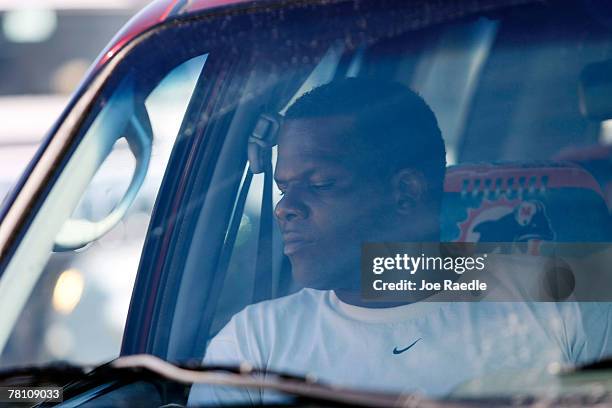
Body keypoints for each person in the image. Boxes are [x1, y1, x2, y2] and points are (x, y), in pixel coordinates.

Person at [189, 78, 612, 405]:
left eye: (320, 184)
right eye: (284, 189)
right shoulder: (251, 345)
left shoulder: (566, 297)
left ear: (406, 192)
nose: (286, 209)